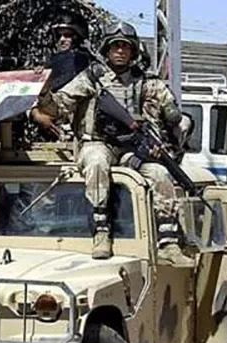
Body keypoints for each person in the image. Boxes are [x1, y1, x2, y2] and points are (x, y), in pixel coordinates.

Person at [31, 21, 191, 265]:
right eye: (115, 46)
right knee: (96, 162)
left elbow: (170, 108)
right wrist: (43, 93)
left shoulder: (146, 82)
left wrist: (171, 114)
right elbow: (59, 107)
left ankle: (168, 243)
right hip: (97, 143)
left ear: (133, 51)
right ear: (107, 49)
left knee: (160, 173)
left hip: (130, 149)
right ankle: (101, 231)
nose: (120, 51)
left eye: (125, 47)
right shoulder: (91, 78)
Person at [45, 14, 91, 93]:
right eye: (58, 36)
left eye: (67, 35)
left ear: (77, 37)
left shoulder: (80, 59)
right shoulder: (55, 59)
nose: (61, 39)